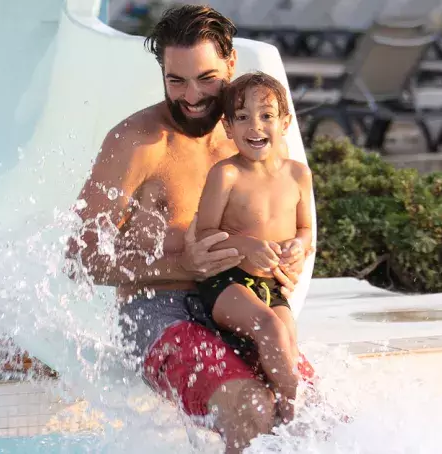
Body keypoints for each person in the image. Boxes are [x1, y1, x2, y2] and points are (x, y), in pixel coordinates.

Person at [66, 5, 311, 453]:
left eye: (206, 78)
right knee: (253, 409)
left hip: (240, 302)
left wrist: (289, 256)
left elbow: (291, 217)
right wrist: (180, 262)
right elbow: (78, 259)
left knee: (313, 412)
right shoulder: (137, 143)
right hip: (159, 313)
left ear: (232, 63)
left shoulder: (250, 136)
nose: (192, 96)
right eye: (176, 80)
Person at [194, 71, 315, 425]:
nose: (255, 126)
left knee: (287, 342)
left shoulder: (297, 175)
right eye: (242, 117)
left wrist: (299, 245)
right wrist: (245, 246)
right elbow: (204, 234)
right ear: (228, 128)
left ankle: (283, 417)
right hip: (228, 282)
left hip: (272, 287)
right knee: (272, 329)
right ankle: (299, 416)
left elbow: (306, 229)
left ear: (285, 122)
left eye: (266, 115)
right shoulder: (226, 174)